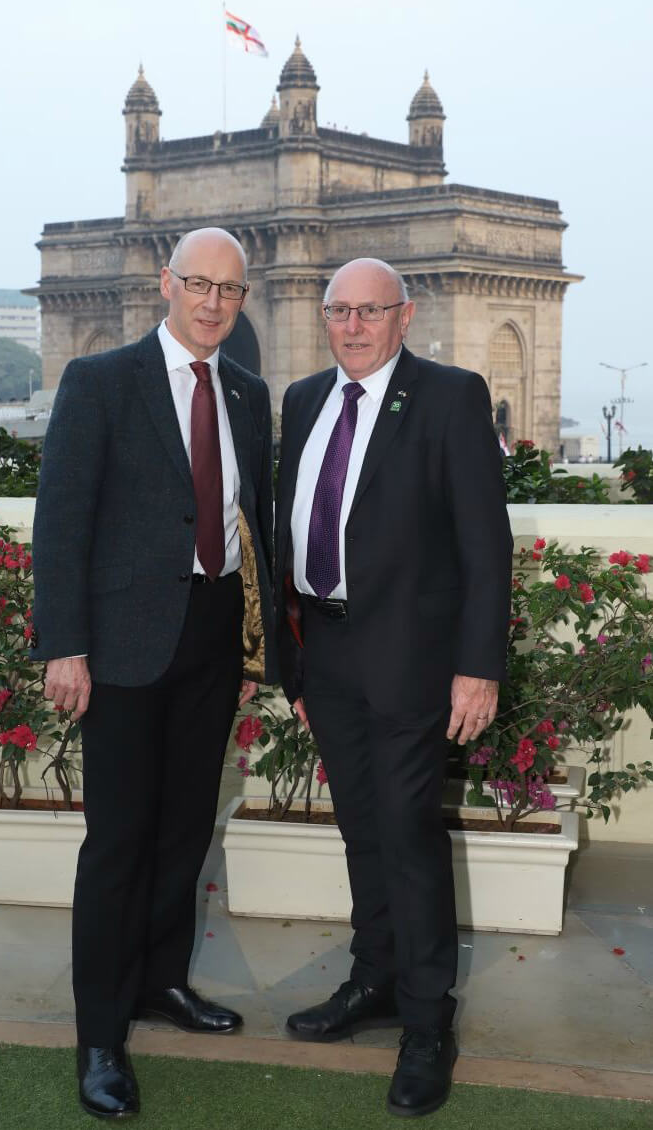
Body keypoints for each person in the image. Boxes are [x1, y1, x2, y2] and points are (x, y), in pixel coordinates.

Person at [31, 228, 276, 1120]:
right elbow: (60, 523)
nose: (213, 303)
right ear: (165, 283)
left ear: (242, 301)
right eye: (198, 285)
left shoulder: (247, 393)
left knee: (183, 833)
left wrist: (255, 650)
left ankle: (162, 983)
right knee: (118, 842)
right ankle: (100, 1032)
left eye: (230, 292)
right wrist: (66, 645)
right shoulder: (100, 382)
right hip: (124, 649)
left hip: (211, 641)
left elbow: (260, 528)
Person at [275, 257, 512, 1118]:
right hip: (326, 655)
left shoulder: (448, 397)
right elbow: (284, 534)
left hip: (414, 662)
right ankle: (371, 983)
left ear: (403, 315)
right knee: (361, 832)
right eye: (338, 309)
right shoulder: (303, 400)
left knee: (407, 839)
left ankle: (425, 1025)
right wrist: (289, 662)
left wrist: (477, 666)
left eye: (369, 310)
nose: (352, 326)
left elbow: (487, 548)